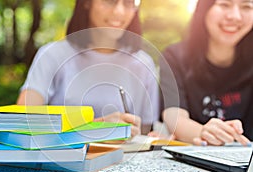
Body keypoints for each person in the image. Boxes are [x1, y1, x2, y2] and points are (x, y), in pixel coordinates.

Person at [17, 0, 159, 137]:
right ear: (86, 2)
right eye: (109, 1)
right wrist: (96, 127)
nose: (119, 11)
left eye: (128, 2)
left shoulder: (143, 64)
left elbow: (145, 133)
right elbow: (22, 121)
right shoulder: (52, 55)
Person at [160, 0, 253, 146]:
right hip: (195, 155)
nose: (235, 16)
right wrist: (204, 132)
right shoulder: (175, 57)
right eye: (224, 4)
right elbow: (174, 116)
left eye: (246, 6)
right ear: (204, 9)